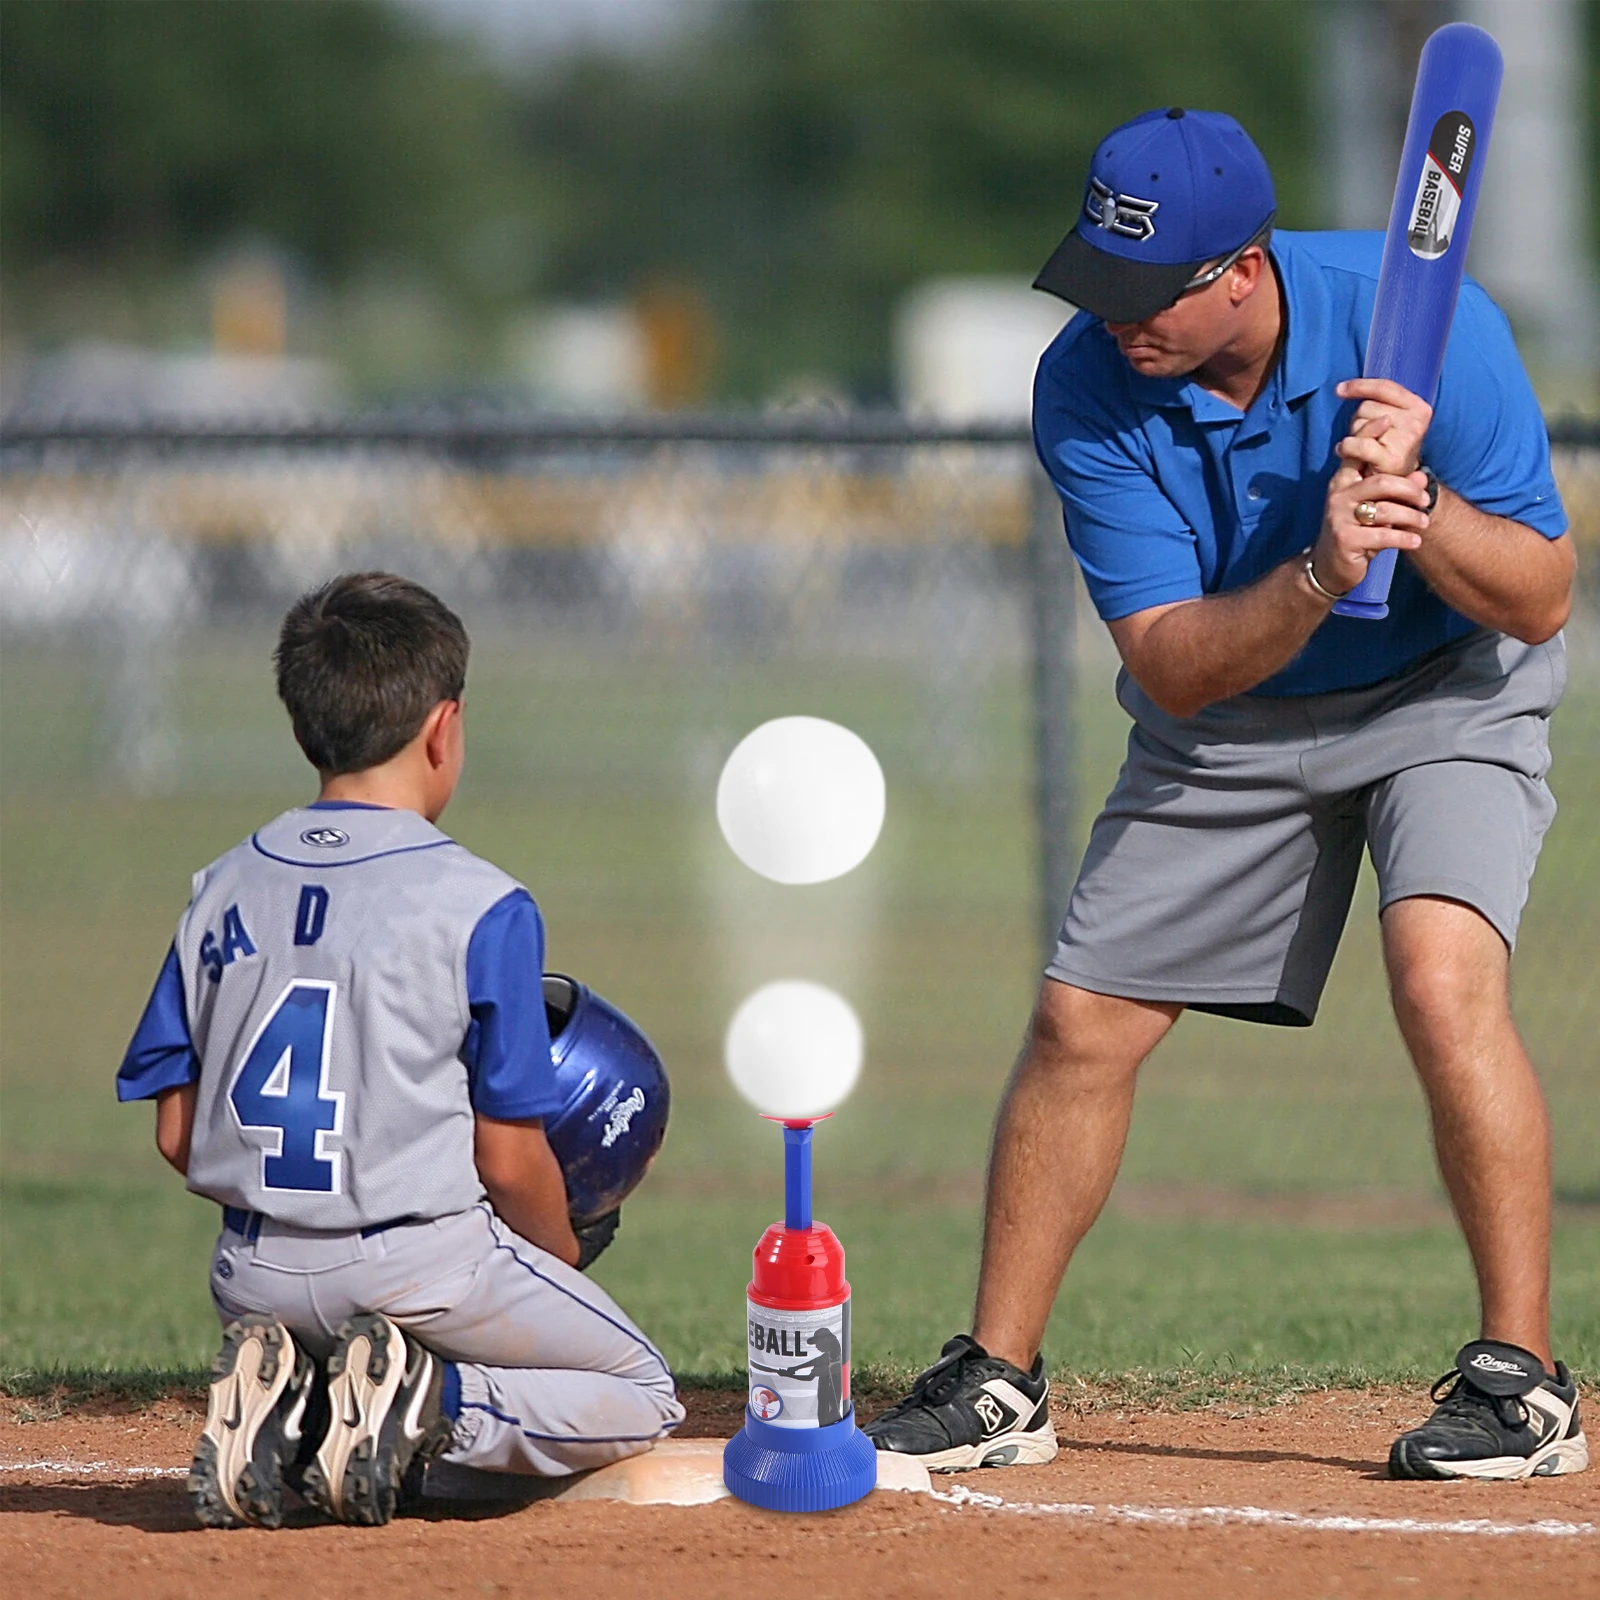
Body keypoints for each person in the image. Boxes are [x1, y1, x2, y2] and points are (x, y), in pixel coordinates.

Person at [864, 107, 1586, 1483]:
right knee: (1081, 1021)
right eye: (1101, 284)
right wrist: (1320, 569)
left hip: (1445, 689)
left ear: (1242, 270)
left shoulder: (1424, 327)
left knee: (1442, 979)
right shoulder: (1085, 388)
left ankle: (1521, 1386)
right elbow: (1176, 669)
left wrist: (1416, 514)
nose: (1116, 321)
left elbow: (1544, 600)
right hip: (1237, 713)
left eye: (1150, 295)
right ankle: (1001, 1380)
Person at [117, 572, 684, 1529]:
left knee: (370, 1335)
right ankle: (426, 1403)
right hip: (417, 1265)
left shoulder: (217, 887)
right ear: (443, 727)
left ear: (305, 727)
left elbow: (178, 1135)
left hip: (249, 1273)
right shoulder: (479, 902)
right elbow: (507, 1155)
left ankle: (301, 1407)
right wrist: (553, 1253)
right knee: (641, 1391)